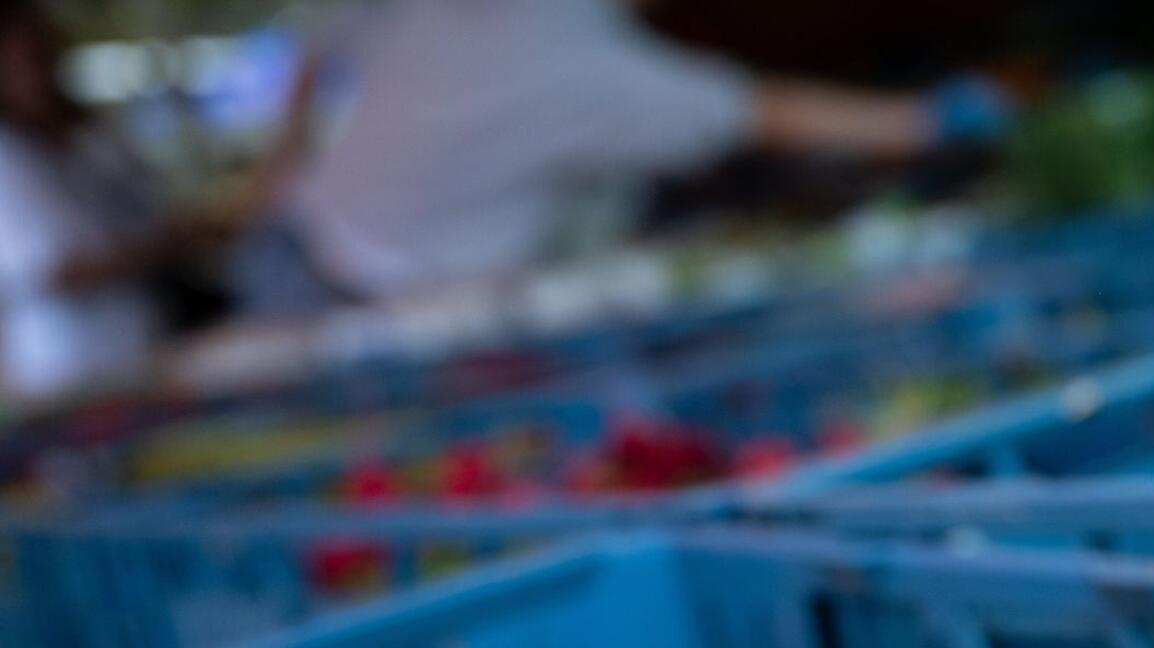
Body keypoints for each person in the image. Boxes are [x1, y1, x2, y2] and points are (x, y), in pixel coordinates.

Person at [241, 0, 1004, 311]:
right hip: (372, 302)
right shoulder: (578, 69)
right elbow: (766, 112)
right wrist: (923, 121)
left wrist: (281, 160)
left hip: (298, 240)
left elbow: (318, 38)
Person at [0, 1, 223, 397]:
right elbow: (56, 272)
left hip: (144, 342)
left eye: (47, 55)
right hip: (71, 370)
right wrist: (171, 244)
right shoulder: (10, 154)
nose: (43, 72)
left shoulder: (87, 134)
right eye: (28, 61)